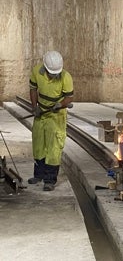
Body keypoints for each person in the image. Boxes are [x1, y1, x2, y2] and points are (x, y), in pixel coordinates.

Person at [28, 51, 74, 191]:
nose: (54, 75)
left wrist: (60, 104)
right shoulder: (37, 71)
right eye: (51, 73)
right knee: (38, 144)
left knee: (53, 148)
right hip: (41, 113)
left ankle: (50, 179)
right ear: (45, 67)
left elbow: (69, 98)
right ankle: (39, 174)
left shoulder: (66, 77)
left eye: (56, 73)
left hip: (56, 115)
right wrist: (34, 107)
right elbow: (33, 89)